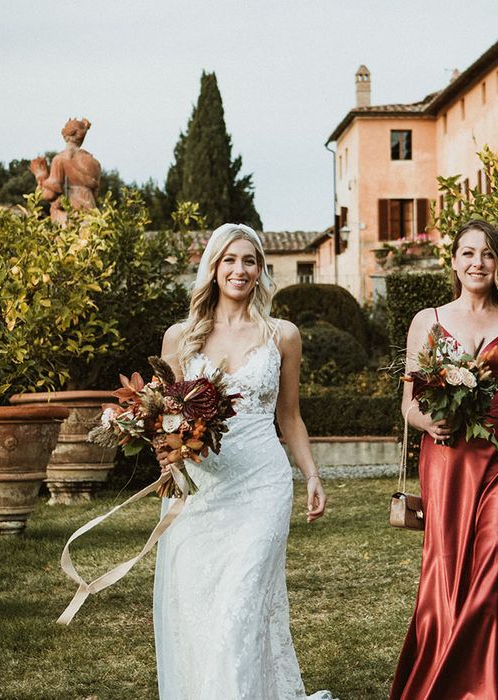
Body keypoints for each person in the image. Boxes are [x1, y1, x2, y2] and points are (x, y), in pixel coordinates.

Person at [153, 223, 333, 700]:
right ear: (213, 267)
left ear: (261, 270)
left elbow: (290, 418)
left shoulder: (283, 336)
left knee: (241, 604)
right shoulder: (180, 338)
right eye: (230, 260)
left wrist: (311, 474)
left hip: (262, 488)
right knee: (199, 608)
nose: (240, 269)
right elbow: (167, 420)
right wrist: (167, 457)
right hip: (200, 491)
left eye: (249, 261)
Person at [389, 220, 498, 700]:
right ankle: (440, 680)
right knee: (446, 567)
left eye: (487, 254)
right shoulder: (428, 319)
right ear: (454, 262)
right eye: (467, 253)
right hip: (447, 459)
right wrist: (426, 423)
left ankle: (484, 688)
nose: (477, 263)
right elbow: (408, 403)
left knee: (496, 566)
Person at [29, 117, 101, 224]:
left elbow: (51, 194)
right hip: (91, 216)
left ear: (65, 136)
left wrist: (41, 178)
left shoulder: (59, 160)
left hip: (70, 218)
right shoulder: (94, 163)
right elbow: (95, 194)